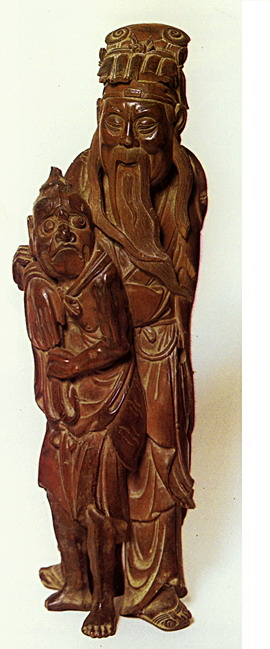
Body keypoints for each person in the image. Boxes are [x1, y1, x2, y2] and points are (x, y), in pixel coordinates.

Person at [14, 24, 207, 631]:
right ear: (99, 116)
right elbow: (45, 251)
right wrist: (32, 272)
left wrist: (114, 299)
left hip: (153, 344)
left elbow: (176, 282)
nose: (126, 142)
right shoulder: (80, 172)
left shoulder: (183, 181)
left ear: (174, 124)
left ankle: (151, 585)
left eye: (145, 126)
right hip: (89, 364)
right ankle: (90, 576)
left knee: (157, 459)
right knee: (77, 470)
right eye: (115, 123)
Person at [21, 167, 145, 638]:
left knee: (98, 505)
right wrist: (28, 271)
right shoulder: (43, 278)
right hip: (65, 409)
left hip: (104, 404)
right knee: (57, 492)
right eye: (50, 228)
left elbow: (118, 343)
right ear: (34, 233)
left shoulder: (101, 276)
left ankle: (104, 598)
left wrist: (76, 365)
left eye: (77, 225)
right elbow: (24, 265)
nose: (65, 235)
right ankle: (75, 582)